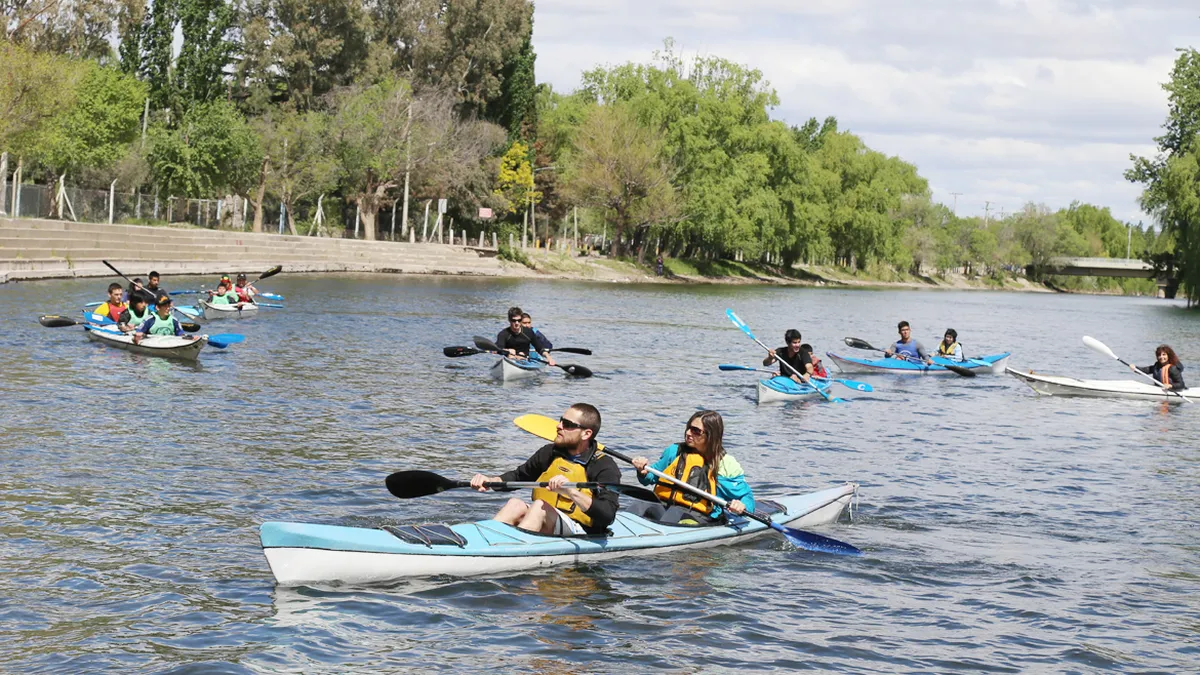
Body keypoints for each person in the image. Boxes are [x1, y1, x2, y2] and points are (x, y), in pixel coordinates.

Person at [470, 404, 619, 536]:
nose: (558, 426)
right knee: (515, 504)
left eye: (567, 424)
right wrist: (490, 481)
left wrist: (570, 492)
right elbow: (519, 476)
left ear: (586, 434)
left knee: (539, 507)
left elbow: (607, 514)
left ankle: (514, 550)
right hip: (549, 520)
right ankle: (485, 541)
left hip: (583, 530)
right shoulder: (549, 453)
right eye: (560, 420)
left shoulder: (604, 466)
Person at [630, 410, 754, 525]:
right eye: (689, 428)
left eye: (696, 431)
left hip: (699, 515)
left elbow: (747, 497)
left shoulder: (725, 464)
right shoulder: (674, 451)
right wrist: (642, 470)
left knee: (674, 514)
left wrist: (741, 505)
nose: (688, 433)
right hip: (664, 506)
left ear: (710, 436)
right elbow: (649, 478)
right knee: (639, 505)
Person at [134, 296, 198, 344]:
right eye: (165, 306)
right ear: (157, 307)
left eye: (168, 306)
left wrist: (191, 338)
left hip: (168, 344)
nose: (168, 308)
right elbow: (139, 332)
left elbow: (181, 335)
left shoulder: (174, 320)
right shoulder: (149, 320)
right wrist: (138, 336)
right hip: (152, 344)